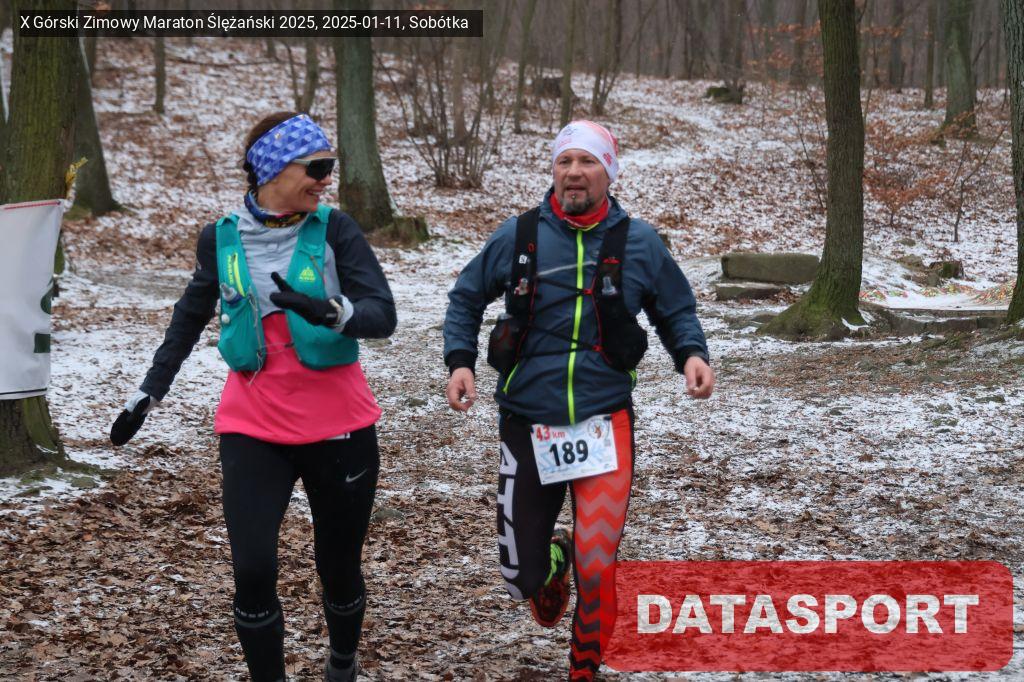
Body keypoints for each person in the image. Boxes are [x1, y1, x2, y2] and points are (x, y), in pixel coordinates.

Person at [109, 111, 396, 682]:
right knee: (253, 570)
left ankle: (342, 664)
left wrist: (333, 312)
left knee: (338, 567)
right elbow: (189, 316)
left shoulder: (336, 230)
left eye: (329, 168)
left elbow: (382, 314)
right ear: (272, 169)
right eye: (316, 167)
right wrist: (150, 390)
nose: (326, 179)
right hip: (253, 425)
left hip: (339, 426)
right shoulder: (220, 238)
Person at [442, 120, 714, 680]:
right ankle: (552, 559)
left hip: (603, 421)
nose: (573, 172)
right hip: (528, 421)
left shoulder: (639, 242)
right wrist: (460, 362)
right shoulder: (519, 237)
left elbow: (675, 308)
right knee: (519, 577)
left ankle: (583, 670)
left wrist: (691, 354)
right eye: (564, 161)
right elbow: (465, 298)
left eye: (587, 161)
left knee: (597, 564)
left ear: (609, 172)